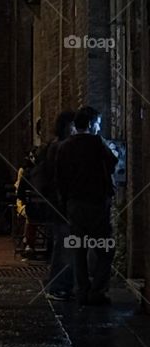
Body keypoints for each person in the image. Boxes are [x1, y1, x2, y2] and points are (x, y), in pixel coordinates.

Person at [56, 106, 118, 305]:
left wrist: (65, 201)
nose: (99, 127)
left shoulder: (64, 146)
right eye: (98, 123)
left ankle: (82, 290)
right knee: (105, 250)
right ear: (91, 124)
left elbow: (60, 177)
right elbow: (112, 162)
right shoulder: (97, 143)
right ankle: (97, 290)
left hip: (75, 203)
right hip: (96, 202)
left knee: (79, 249)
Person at [26, 110, 76, 297]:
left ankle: (63, 284)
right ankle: (58, 286)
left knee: (65, 244)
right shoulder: (58, 148)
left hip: (59, 204)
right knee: (64, 246)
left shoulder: (56, 147)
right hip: (60, 205)